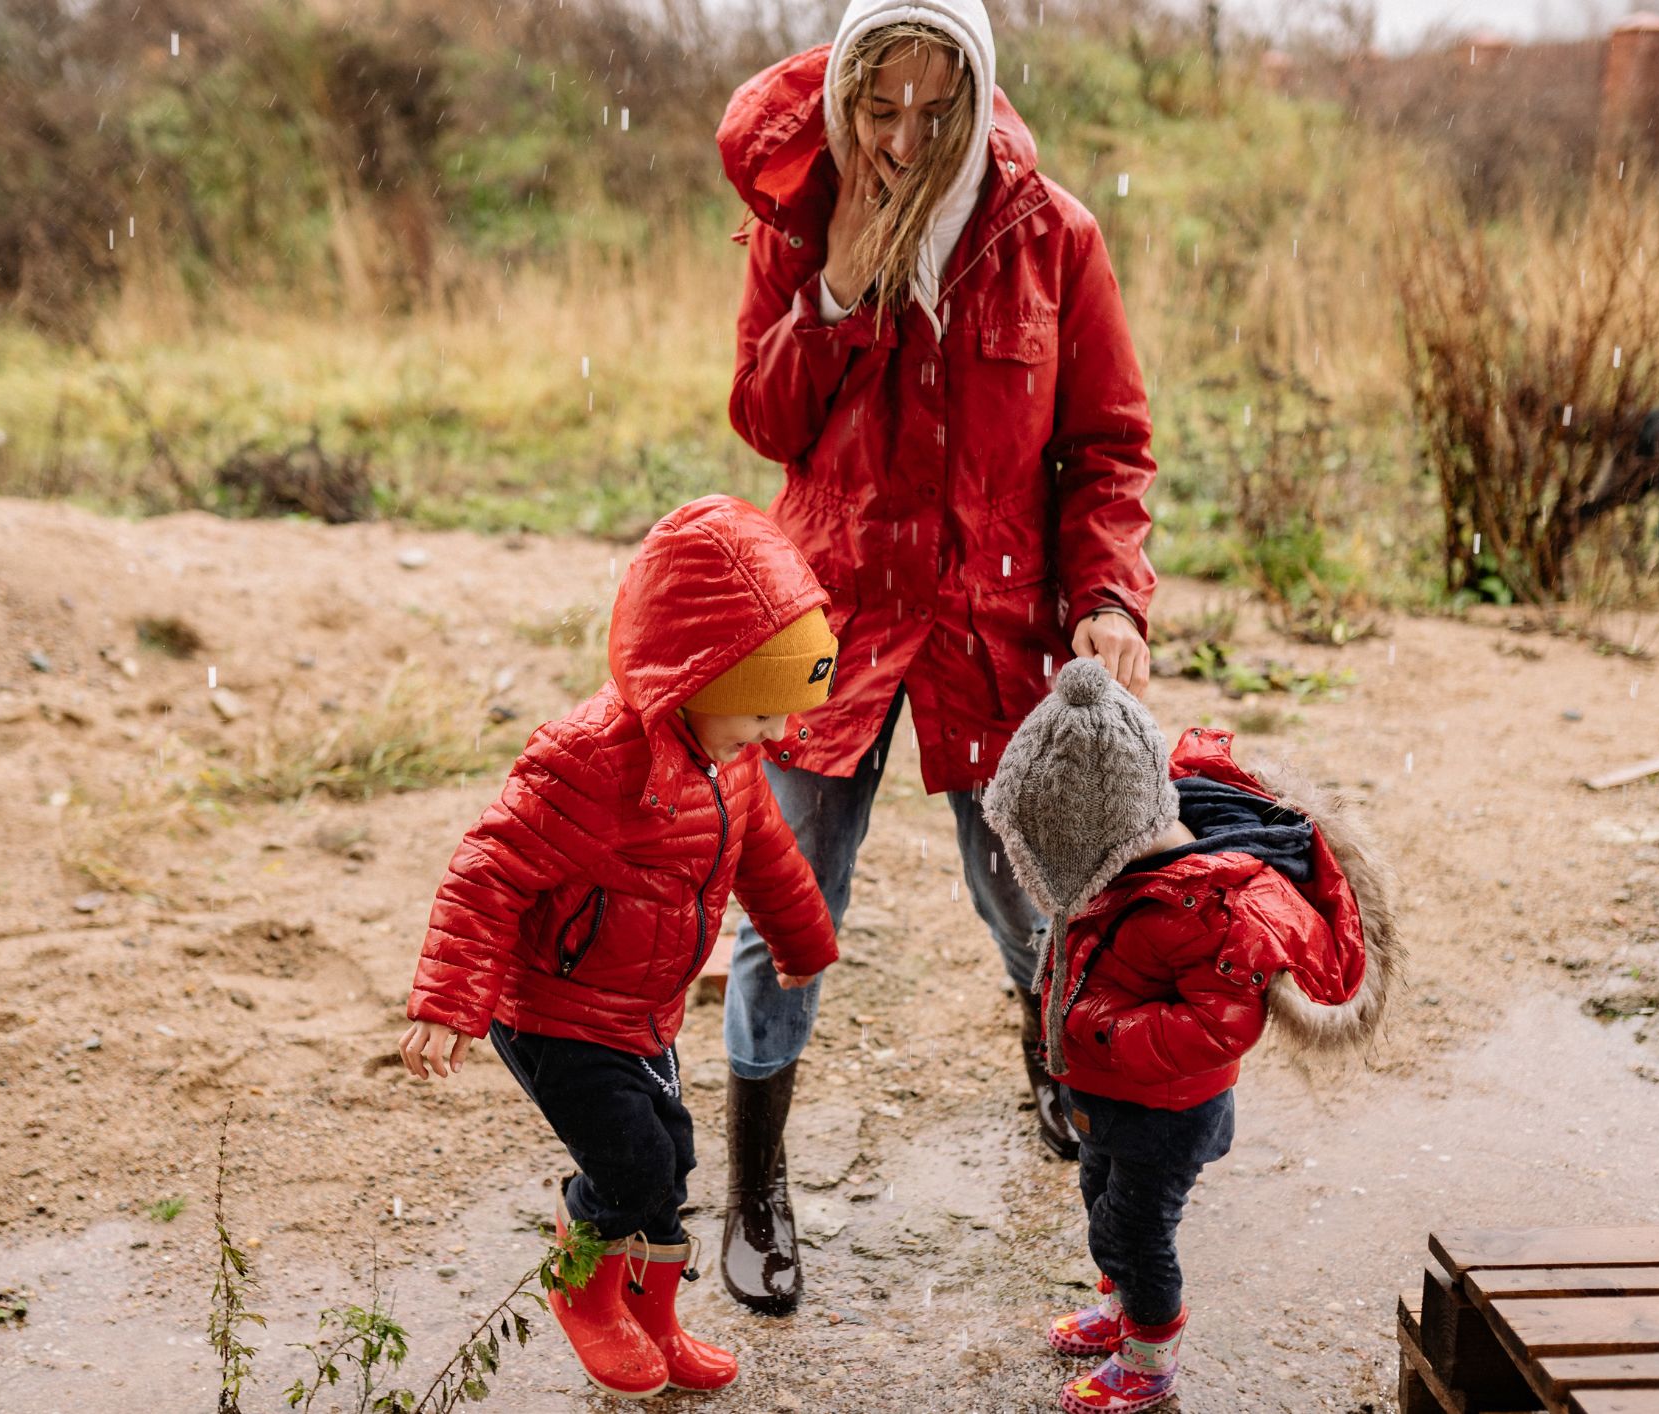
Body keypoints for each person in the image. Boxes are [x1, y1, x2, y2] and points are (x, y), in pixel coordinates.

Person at [713, 0, 1160, 1311]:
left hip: (995, 619)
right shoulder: (804, 222)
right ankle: (754, 1189)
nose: (904, 140)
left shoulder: (1052, 236)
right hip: (833, 618)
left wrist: (1113, 598)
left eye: (933, 107)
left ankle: (1056, 1070)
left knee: (1036, 896)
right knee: (785, 915)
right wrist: (836, 293)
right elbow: (762, 417)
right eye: (877, 106)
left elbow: (1108, 448)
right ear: (846, 93)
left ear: (977, 91)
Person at [398, 496, 842, 1398]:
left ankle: (655, 1321)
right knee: (629, 1165)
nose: (775, 735)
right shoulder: (590, 761)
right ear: (698, 678)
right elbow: (488, 870)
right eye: (760, 714)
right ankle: (582, 1295)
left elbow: (765, 853)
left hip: (644, 1009)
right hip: (555, 1010)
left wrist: (802, 937)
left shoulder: (732, 759)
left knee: (669, 1166)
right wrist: (449, 1001)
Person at [980, 659, 1400, 1411]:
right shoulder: (1122, 875)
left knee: (1135, 1231)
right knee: (1099, 1195)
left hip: (1170, 1111)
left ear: (1110, 832)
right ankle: (1121, 1308)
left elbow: (1223, 1024)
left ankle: (1150, 1352)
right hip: (1112, 1095)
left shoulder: (1207, 908)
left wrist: (1103, 1031)